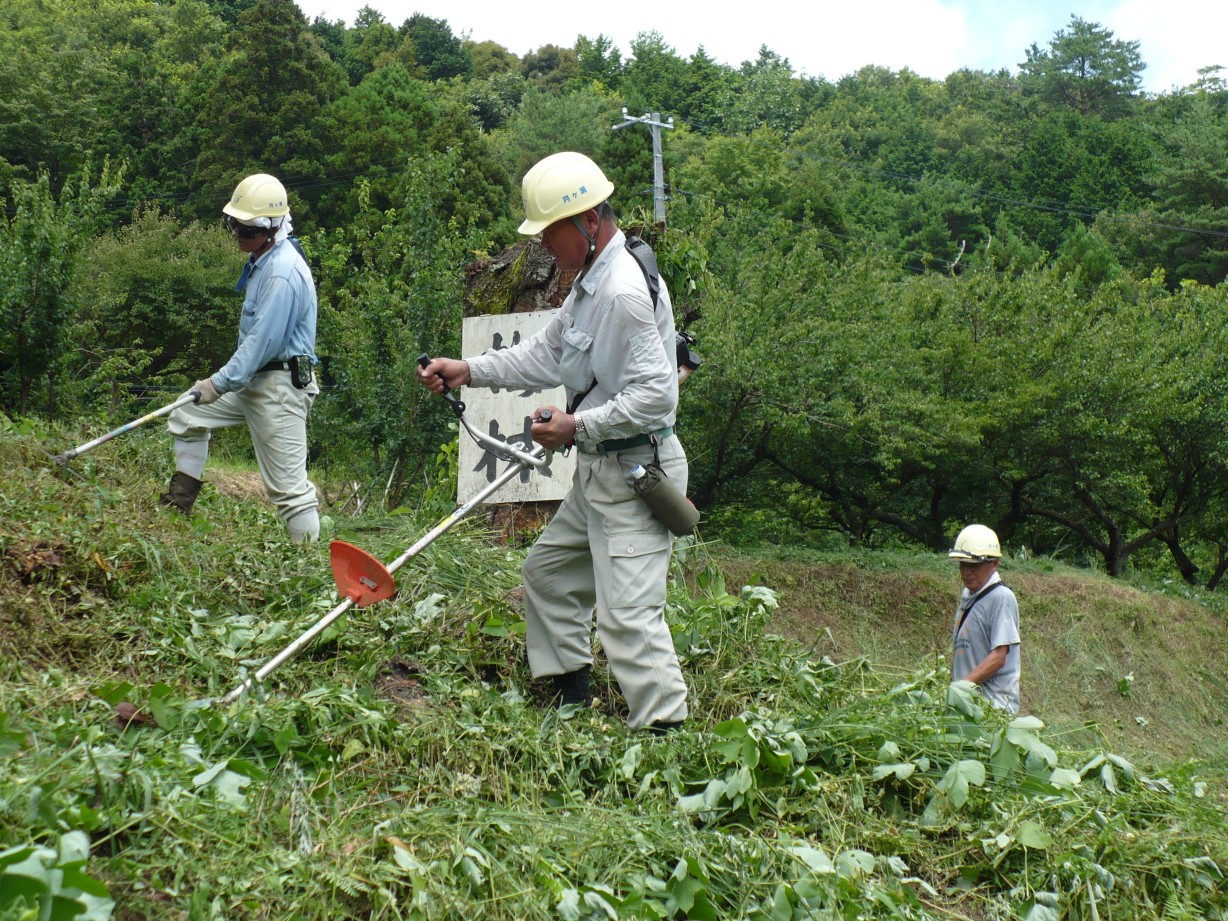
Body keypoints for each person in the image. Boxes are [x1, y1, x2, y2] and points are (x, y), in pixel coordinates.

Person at [417, 151, 689, 732]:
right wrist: (470, 368)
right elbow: (548, 351)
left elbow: (657, 398)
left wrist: (576, 426)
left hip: (638, 471)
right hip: (601, 471)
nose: (544, 246)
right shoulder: (594, 280)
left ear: (588, 221)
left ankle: (667, 742)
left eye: (550, 233)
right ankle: (571, 699)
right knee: (548, 574)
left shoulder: (621, 292)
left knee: (629, 618)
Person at [160, 173, 321, 543]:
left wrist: (216, 383)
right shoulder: (263, 259)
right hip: (254, 380)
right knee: (187, 413)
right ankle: (177, 506)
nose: (239, 234)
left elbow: (261, 343)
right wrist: (218, 386)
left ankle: (311, 571)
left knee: (290, 493)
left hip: (278, 387)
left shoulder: (282, 272)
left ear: (274, 226)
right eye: (235, 224)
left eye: (249, 229)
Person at [947, 524, 1021, 714]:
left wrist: (961, 687)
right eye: (963, 564)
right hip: (968, 705)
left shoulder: (1000, 597)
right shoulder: (968, 597)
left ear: (994, 563)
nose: (967, 572)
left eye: (974, 565)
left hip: (991, 709)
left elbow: (999, 656)